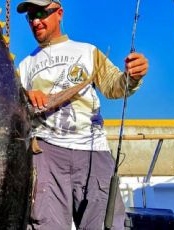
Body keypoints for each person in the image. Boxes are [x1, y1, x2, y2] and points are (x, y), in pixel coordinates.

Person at [16, 0, 149, 229]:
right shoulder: (25, 65)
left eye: (41, 13)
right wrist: (24, 95)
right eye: (30, 17)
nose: (36, 21)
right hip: (45, 154)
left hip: (93, 152)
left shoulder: (88, 51)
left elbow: (115, 86)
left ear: (59, 13)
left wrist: (133, 75)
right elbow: (12, 111)